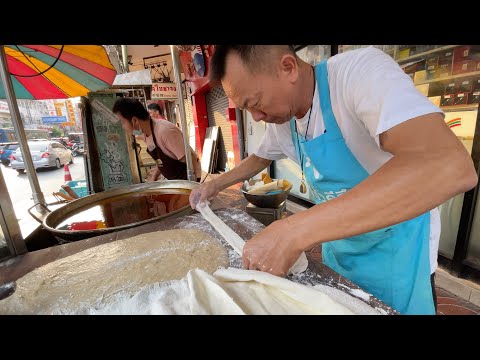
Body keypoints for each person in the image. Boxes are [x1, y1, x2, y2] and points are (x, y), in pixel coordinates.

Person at [188, 45, 478, 315]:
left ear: (287, 67)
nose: (257, 117)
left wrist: (293, 231)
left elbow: (446, 164)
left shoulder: (358, 75)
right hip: (340, 252)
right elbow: (261, 157)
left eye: (256, 102)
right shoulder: (283, 119)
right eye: (246, 110)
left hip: (397, 257)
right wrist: (216, 184)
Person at [112, 97, 201, 182]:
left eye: (123, 122)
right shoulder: (144, 133)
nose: (123, 127)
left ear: (135, 121)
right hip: (175, 181)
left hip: (188, 181)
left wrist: (193, 186)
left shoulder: (165, 131)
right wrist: (153, 177)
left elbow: (191, 160)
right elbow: (162, 161)